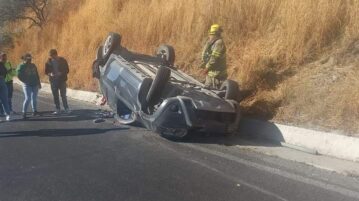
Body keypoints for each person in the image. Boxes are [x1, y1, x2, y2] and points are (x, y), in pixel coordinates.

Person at [201, 24, 228, 89]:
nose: (210, 36)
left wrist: (207, 68)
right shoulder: (211, 42)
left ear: (217, 34)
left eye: (212, 34)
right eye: (210, 34)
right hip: (211, 74)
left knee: (213, 92)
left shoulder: (219, 43)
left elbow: (214, 58)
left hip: (217, 76)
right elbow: (206, 55)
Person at [17, 53, 41, 120]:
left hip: (35, 83)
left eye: (30, 58)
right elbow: (18, 75)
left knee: (34, 98)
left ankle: (34, 111)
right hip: (27, 85)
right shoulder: (21, 66)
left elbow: (37, 74)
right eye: (28, 59)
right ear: (25, 59)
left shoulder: (33, 65)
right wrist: (25, 81)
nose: (30, 60)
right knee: (28, 98)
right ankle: (24, 112)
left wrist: (39, 83)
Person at [45, 49, 70, 114]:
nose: (51, 57)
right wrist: (50, 74)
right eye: (50, 56)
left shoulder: (63, 60)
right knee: (55, 96)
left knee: (63, 95)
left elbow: (67, 70)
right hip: (53, 82)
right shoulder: (48, 62)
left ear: (56, 54)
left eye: (52, 56)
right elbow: (46, 72)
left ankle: (66, 108)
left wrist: (61, 73)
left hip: (62, 81)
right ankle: (58, 109)